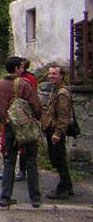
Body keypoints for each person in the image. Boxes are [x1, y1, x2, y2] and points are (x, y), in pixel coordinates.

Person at [0, 56, 42, 208]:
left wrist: (3, 119)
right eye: (21, 67)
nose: (22, 69)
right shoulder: (25, 84)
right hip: (25, 127)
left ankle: (5, 196)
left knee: (9, 161)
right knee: (31, 162)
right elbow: (36, 106)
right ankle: (35, 198)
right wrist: (35, 118)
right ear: (17, 68)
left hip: (8, 127)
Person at [41, 65, 74, 200]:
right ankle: (67, 186)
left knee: (59, 160)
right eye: (50, 74)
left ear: (61, 76)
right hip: (51, 130)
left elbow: (64, 116)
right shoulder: (55, 90)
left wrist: (58, 133)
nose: (51, 76)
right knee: (57, 159)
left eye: (54, 74)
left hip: (55, 132)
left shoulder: (62, 94)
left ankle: (63, 189)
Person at [15, 58, 38, 181]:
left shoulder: (29, 79)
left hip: (25, 114)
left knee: (25, 144)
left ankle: (24, 170)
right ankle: (19, 169)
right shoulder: (16, 78)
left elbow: (32, 95)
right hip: (17, 114)